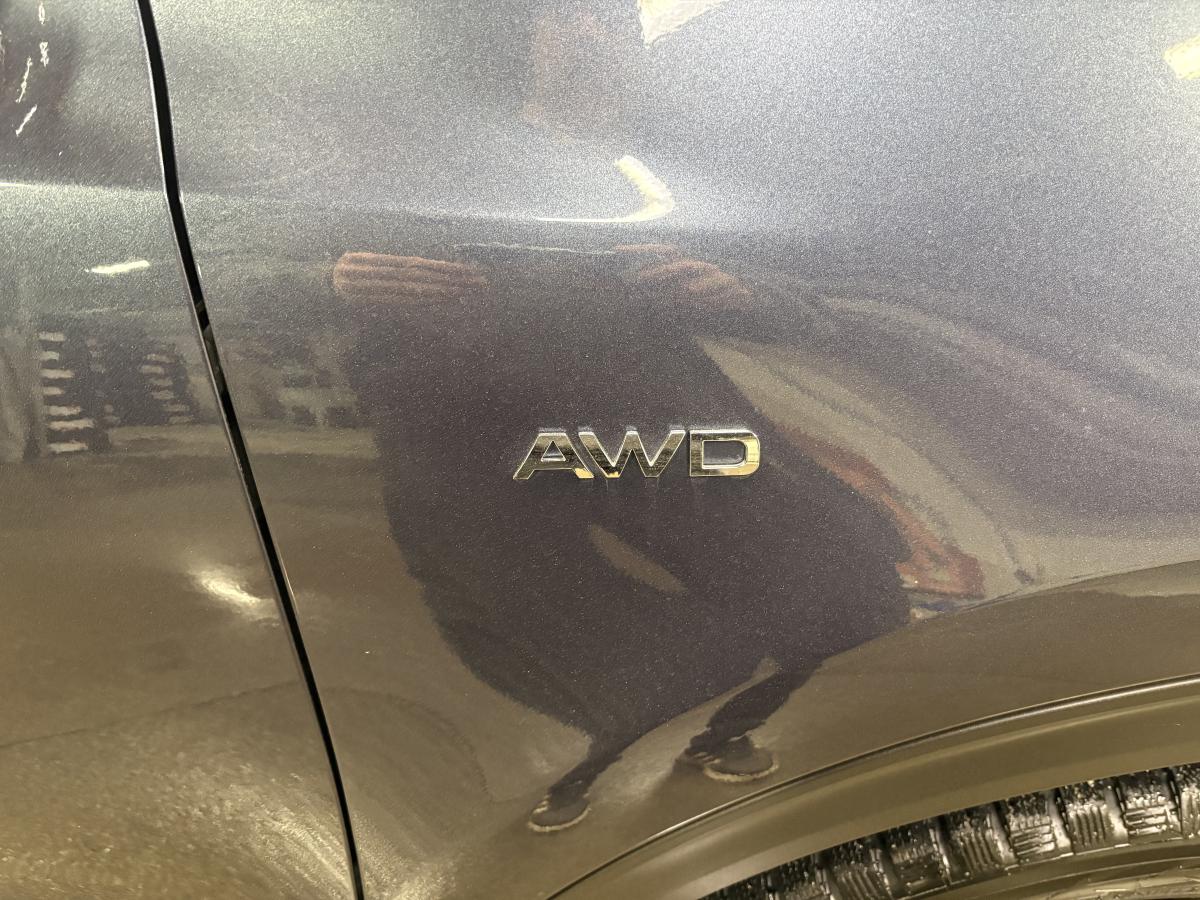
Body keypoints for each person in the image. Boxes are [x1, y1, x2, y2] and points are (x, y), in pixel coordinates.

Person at [335, 244, 910, 831]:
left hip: (651, 401)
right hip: (452, 429)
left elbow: (821, 284)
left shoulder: (646, 206)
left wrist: (742, 290)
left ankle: (742, 743)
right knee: (526, 614)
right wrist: (321, 280)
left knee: (842, 596)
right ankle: (627, 773)